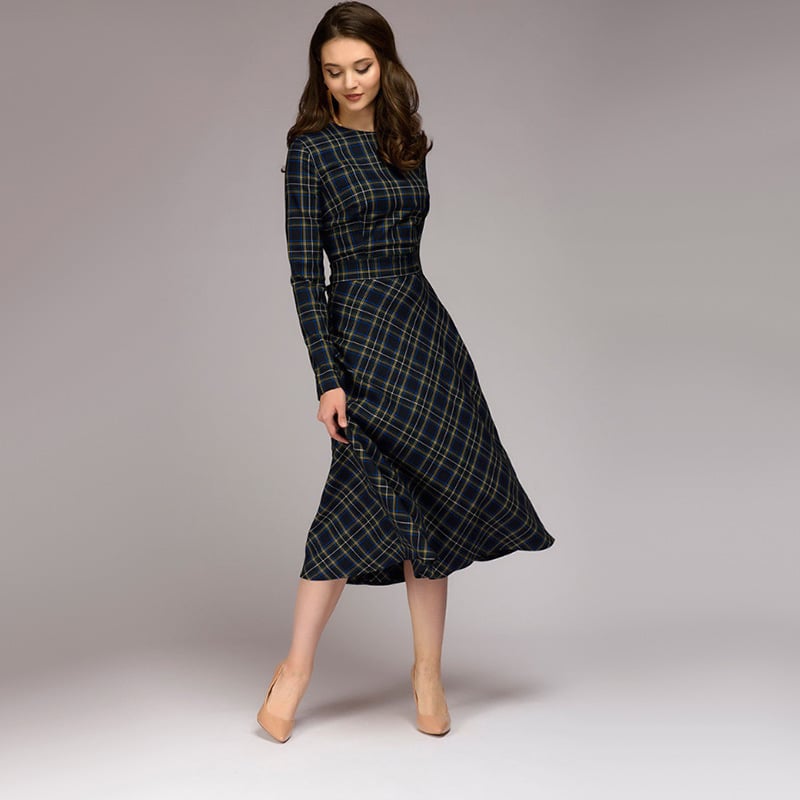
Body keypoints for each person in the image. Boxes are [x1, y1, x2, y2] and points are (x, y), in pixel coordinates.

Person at [257, 1, 555, 743]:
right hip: (360, 334)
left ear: (385, 63)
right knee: (351, 498)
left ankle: (427, 673)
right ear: (319, 76)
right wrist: (327, 377)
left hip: (424, 332)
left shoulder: (404, 142)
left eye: (361, 66)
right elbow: (306, 277)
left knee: (431, 500)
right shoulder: (311, 152)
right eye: (333, 71)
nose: (349, 82)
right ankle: (294, 672)